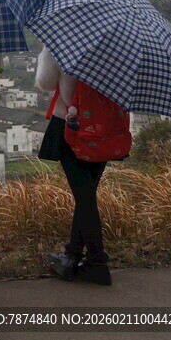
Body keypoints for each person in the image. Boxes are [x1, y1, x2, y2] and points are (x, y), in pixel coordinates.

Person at [35, 45, 113, 286]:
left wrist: (44, 52)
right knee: (86, 194)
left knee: (85, 196)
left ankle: (98, 262)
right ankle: (72, 256)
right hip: (105, 125)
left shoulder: (63, 42)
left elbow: (45, 83)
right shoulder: (119, 46)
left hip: (71, 126)